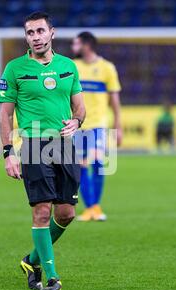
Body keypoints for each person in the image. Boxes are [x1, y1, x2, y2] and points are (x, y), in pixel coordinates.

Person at [0, 12, 86, 290]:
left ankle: (31, 260)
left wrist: (77, 121)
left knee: (67, 213)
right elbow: (5, 116)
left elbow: (80, 107)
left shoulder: (68, 66)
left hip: (65, 146)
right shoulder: (14, 69)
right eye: (30, 33)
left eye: (39, 31)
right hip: (35, 146)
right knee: (42, 211)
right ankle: (51, 276)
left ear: (52, 33)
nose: (35, 37)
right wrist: (8, 152)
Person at [71, 31, 122, 222]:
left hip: (99, 125)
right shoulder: (72, 67)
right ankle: (92, 207)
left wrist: (118, 126)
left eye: (76, 44)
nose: (73, 47)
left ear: (86, 45)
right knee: (81, 166)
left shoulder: (107, 68)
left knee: (99, 163)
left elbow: (115, 100)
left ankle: (94, 206)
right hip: (78, 124)